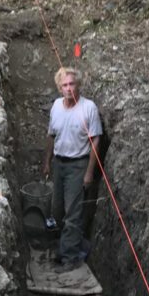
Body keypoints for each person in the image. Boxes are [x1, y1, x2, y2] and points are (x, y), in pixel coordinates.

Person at [42, 67, 103, 271]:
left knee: (73, 213)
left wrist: (89, 172)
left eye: (72, 84)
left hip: (78, 165)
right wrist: (47, 161)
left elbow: (95, 140)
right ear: (59, 88)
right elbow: (52, 135)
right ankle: (64, 247)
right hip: (59, 163)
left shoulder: (89, 108)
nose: (69, 89)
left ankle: (69, 258)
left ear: (78, 85)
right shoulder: (57, 106)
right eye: (65, 85)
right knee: (57, 211)